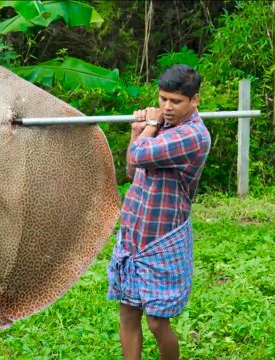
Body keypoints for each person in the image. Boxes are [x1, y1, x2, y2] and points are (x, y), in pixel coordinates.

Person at [106, 64, 211, 360]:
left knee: (156, 322)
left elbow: (140, 154)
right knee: (128, 313)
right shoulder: (162, 126)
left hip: (161, 240)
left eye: (176, 101)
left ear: (195, 100)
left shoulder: (193, 136)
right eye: (163, 99)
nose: (166, 107)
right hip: (133, 234)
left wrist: (149, 125)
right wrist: (136, 130)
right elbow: (131, 166)